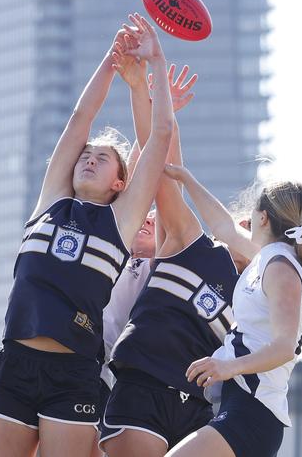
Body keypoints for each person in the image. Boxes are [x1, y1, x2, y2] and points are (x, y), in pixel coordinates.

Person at [0, 13, 176, 457]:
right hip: (15, 360)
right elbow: (78, 119)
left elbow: (160, 136)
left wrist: (152, 68)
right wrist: (111, 61)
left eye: (103, 157)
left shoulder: (121, 221)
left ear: (120, 183)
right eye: (85, 154)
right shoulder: (51, 200)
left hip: (72, 372)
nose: (88, 158)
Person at [98, 40, 241, 457]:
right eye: (243, 219)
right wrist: (148, 87)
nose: (245, 225)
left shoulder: (262, 298)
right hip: (137, 386)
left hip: (196, 408)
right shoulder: (193, 244)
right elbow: (161, 161)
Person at [162, 166, 302, 457]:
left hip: (254, 413)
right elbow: (223, 226)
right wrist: (187, 179)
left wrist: (226, 367)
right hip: (242, 406)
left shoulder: (281, 268)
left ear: (262, 218)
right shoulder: (268, 258)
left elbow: (285, 348)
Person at [0, 211, 156, 457]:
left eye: (155, 219)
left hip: (86, 378)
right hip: (28, 363)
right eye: (144, 214)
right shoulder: (97, 243)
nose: (148, 219)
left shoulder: (152, 271)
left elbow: (171, 220)